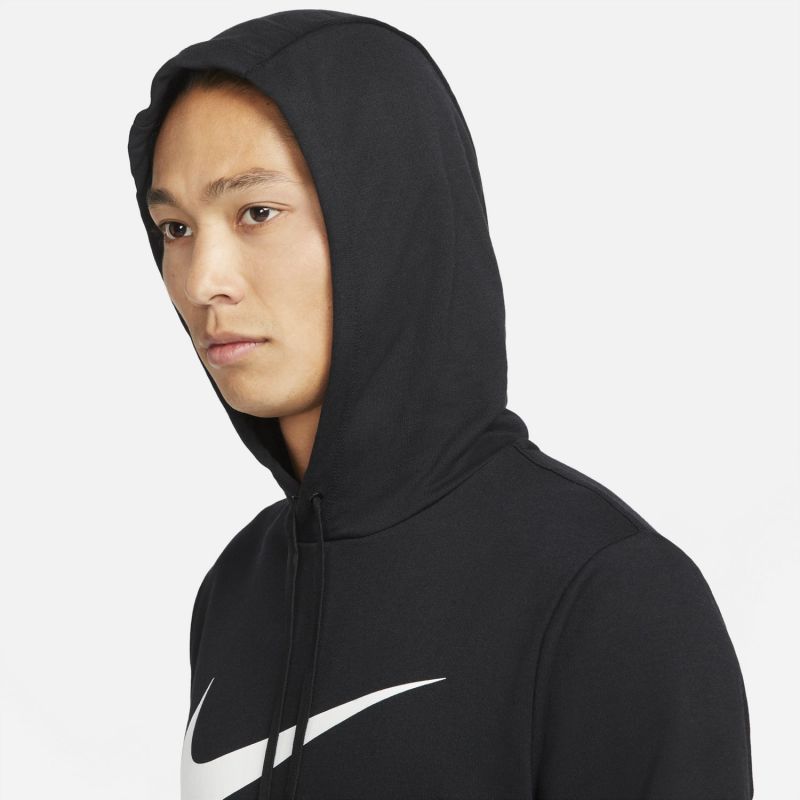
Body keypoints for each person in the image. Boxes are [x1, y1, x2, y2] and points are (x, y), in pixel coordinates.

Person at [127, 9, 754, 800]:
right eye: (175, 228)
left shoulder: (609, 596)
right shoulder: (239, 589)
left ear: (389, 218)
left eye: (257, 212)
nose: (201, 280)